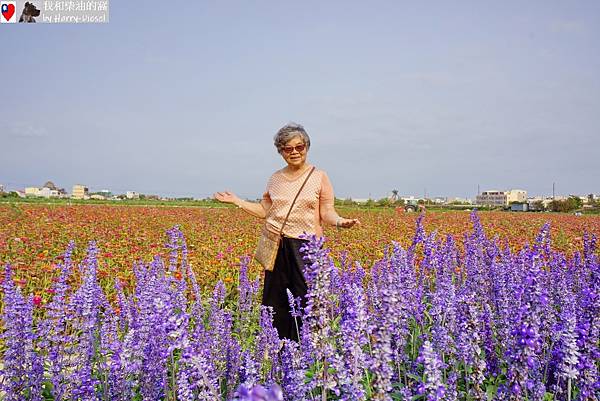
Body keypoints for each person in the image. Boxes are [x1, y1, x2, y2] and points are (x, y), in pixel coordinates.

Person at [214, 123, 360, 341]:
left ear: (307, 147)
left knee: (309, 299)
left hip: (306, 248)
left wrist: (340, 222)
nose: (294, 152)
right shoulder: (275, 179)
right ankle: (279, 352)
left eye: (299, 147)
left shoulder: (318, 177)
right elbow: (265, 210)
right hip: (278, 245)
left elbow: (327, 211)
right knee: (277, 303)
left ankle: (309, 350)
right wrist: (237, 201)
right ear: (280, 151)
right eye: (287, 148)